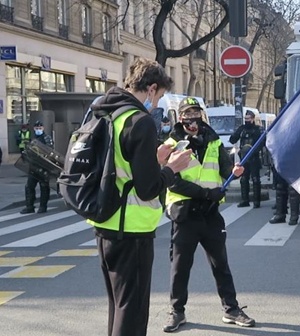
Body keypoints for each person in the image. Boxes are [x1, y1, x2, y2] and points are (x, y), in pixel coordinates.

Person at [88, 58, 193, 336]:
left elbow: (122, 166)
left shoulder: (107, 112)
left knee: (118, 306)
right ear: (151, 88)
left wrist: (153, 160)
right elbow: (147, 188)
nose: (157, 104)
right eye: (158, 97)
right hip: (132, 227)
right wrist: (171, 168)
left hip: (105, 222)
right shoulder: (141, 121)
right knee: (132, 313)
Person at [162, 97, 255, 332]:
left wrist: (235, 171)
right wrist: (206, 194)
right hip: (185, 213)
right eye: (187, 113)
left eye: (196, 112)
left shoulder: (213, 140)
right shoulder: (172, 143)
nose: (192, 117)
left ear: (201, 115)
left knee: (220, 264)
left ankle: (231, 309)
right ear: (180, 116)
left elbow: (224, 169)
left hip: (211, 213)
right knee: (180, 267)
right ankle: (177, 312)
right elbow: (172, 182)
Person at [229, 111, 264, 208]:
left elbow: (261, 143)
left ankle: (257, 201)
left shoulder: (258, 129)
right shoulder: (242, 129)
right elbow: (233, 140)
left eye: (248, 119)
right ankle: (245, 200)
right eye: (245, 119)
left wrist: (254, 151)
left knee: (255, 179)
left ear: (253, 119)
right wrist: (236, 134)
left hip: (254, 157)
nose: (247, 121)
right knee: (244, 179)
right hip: (244, 157)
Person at [20, 121, 54, 214]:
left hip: (43, 167)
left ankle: (43, 206)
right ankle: (29, 206)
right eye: (36, 128)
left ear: (43, 128)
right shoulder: (32, 138)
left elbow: (50, 151)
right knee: (29, 186)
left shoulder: (47, 138)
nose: (38, 129)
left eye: (40, 128)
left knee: (44, 187)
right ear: (34, 129)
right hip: (33, 166)